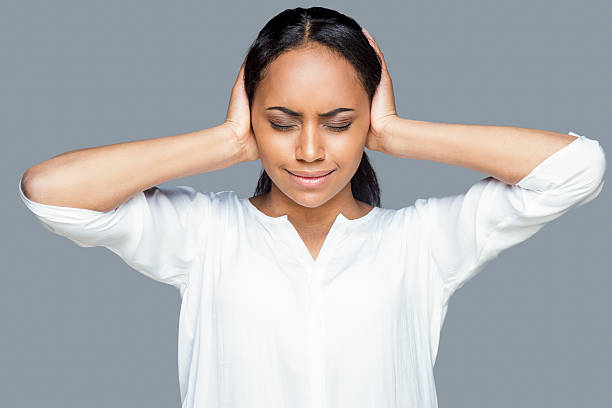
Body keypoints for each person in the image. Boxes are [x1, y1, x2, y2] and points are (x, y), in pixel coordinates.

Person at [19, 6, 605, 408]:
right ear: (253, 117)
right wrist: (225, 141)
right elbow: (52, 191)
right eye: (280, 122)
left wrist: (398, 133)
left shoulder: (421, 242)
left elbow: (577, 171)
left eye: (339, 123)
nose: (308, 150)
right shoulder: (204, 235)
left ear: (365, 120)